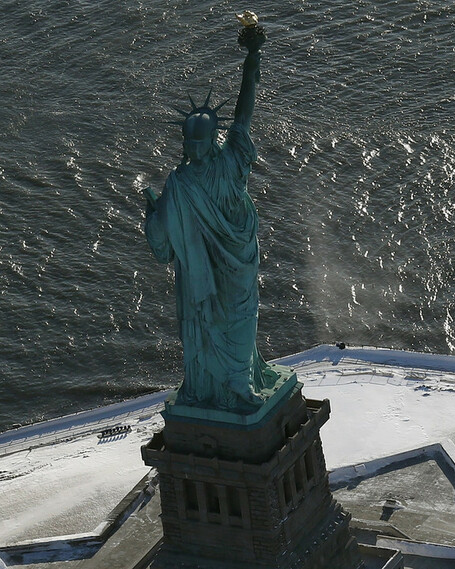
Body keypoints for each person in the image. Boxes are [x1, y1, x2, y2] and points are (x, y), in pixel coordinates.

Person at [145, 18, 272, 410]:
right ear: (185, 144)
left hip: (239, 262)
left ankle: (239, 381)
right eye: (189, 143)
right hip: (206, 272)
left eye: (200, 142)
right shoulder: (179, 184)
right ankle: (217, 388)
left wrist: (252, 61)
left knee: (241, 320)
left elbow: (244, 111)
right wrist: (152, 213)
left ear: (212, 140)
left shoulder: (231, 160)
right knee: (207, 325)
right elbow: (162, 244)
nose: (195, 149)